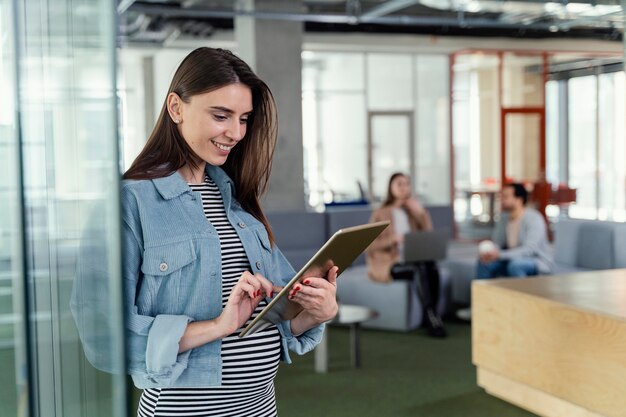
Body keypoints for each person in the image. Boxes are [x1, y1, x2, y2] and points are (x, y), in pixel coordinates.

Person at [120, 47, 338, 416]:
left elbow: (274, 324)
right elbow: (109, 334)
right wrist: (218, 326)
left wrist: (316, 312)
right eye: (221, 116)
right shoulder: (133, 201)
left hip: (260, 406)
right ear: (176, 108)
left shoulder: (236, 200)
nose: (236, 133)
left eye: (244, 118)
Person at [456, 183, 553, 321]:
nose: (502, 199)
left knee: (516, 265)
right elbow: (498, 242)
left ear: (519, 199)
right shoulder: (504, 218)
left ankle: (523, 310)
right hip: (511, 258)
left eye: (506, 196)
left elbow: (530, 250)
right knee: (484, 263)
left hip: (537, 261)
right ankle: (480, 308)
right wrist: (490, 253)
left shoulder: (534, 218)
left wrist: (500, 255)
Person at [366, 173, 447, 338]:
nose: (404, 188)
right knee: (420, 269)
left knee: (431, 266)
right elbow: (369, 245)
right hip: (388, 263)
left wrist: (421, 212)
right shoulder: (380, 213)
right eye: (400, 184)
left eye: (407, 184)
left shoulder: (413, 213)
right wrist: (392, 240)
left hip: (412, 258)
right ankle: (432, 317)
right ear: (391, 188)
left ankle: (431, 316)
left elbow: (428, 237)